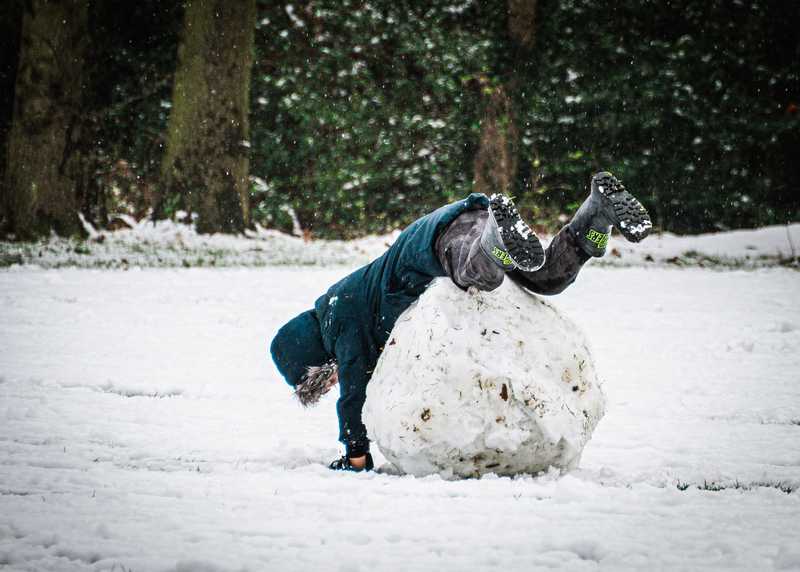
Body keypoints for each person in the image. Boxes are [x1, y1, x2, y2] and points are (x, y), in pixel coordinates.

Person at [270, 172, 651, 471]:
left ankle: (494, 239)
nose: (334, 380)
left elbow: (354, 390)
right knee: (548, 277)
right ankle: (595, 215)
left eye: (324, 378)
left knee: (477, 274)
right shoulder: (344, 307)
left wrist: (355, 455)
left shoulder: (340, 316)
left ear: (314, 362)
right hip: (466, 229)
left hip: (438, 238)